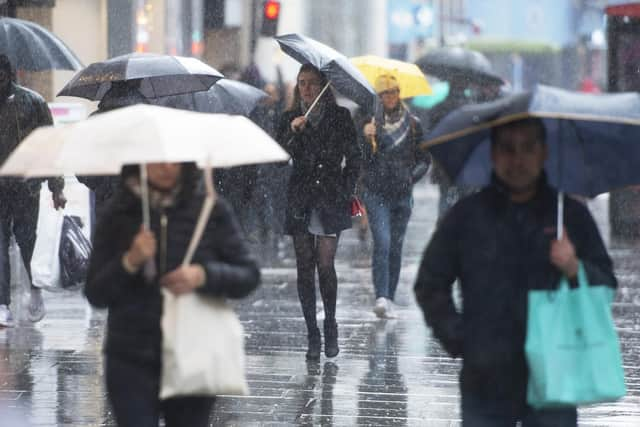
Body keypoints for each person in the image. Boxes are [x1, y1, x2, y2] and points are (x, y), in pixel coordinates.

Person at [413, 118, 617, 426]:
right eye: (508, 149)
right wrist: (459, 339)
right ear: (493, 154)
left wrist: (575, 267)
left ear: (544, 153)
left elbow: (605, 285)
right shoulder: (468, 216)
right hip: (486, 377)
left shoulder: (569, 216)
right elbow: (430, 282)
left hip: (553, 371)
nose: (517, 159)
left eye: (528, 148)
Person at [84, 162, 260, 427]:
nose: (165, 167)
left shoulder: (209, 209)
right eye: (155, 158)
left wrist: (204, 275)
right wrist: (130, 261)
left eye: (173, 159)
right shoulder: (118, 214)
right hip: (131, 356)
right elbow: (96, 292)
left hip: (192, 352)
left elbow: (248, 275)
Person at [276, 63, 361, 360]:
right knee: (304, 266)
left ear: (324, 87)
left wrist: (346, 189)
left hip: (330, 197)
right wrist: (292, 133)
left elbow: (354, 158)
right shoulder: (289, 118)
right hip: (300, 198)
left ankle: (331, 324)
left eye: (313, 83)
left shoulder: (340, 117)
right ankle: (312, 330)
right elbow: (277, 158)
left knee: (325, 265)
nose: (307, 89)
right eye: (302, 83)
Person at [0, 54, 66, 327]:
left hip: (26, 186)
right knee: (0, 243)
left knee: (28, 241)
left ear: (9, 74)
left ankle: (35, 289)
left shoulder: (32, 102)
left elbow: (49, 147)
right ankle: (3, 303)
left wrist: (56, 187)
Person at [359, 74, 430, 319]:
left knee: (396, 247)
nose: (389, 97)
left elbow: (424, 159)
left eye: (393, 92)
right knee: (383, 242)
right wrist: (365, 138)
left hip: (402, 194)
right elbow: (361, 160)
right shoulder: (369, 122)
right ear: (378, 98)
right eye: (384, 93)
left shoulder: (413, 124)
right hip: (376, 192)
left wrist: (411, 177)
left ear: (399, 94)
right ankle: (380, 295)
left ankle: (389, 296)